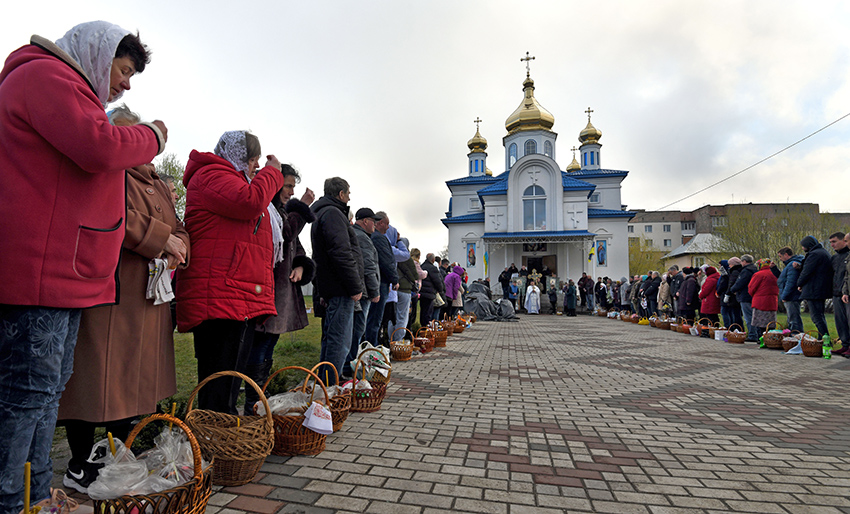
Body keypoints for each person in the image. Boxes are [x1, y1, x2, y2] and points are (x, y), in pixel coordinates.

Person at [0, 22, 167, 512]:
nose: (127, 83)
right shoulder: (46, 78)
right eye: (124, 69)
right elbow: (101, 146)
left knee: (46, 395)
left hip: (64, 277)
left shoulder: (68, 88)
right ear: (98, 54)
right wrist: (153, 134)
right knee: (26, 397)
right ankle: (11, 501)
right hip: (40, 275)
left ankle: (32, 496)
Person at [56, 105, 185, 493]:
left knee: (131, 380)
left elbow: (179, 226)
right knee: (95, 379)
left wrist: (181, 246)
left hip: (147, 297)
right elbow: (118, 218)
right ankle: (78, 463)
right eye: (125, 135)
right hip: (110, 293)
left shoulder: (159, 182)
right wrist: (165, 240)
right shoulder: (105, 170)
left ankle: (117, 455)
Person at [176, 131, 283, 414]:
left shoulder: (226, 178)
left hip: (233, 291)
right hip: (221, 294)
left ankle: (219, 437)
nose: (255, 167)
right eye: (253, 160)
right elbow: (250, 202)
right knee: (220, 379)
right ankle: (214, 439)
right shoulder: (213, 175)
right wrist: (272, 173)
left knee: (229, 377)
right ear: (238, 156)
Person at [244, 165, 316, 413]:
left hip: (281, 288)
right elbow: (285, 234)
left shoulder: (283, 211)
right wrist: (302, 207)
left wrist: (300, 266)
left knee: (269, 343)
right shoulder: (268, 210)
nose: (291, 192)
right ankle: (253, 399)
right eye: (287, 186)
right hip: (266, 287)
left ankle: (259, 395)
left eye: (293, 187)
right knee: (260, 342)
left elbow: (295, 246)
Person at [311, 178, 364, 380]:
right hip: (340, 287)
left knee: (333, 337)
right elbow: (341, 253)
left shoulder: (325, 212)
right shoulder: (333, 214)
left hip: (332, 286)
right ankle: (330, 385)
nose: (349, 197)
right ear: (341, 194)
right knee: (339, 339)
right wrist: (354, 286)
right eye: (348, 193)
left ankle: (327, 381)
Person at [348, 208, 381, 376]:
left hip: (361, 291)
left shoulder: (359, 236)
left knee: (354, 329)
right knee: (357, 330)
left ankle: (349, 364)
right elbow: (369, 267)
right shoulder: (362, 238)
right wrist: (375, 290)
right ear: (365, 221)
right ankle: (350, 367)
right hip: (365, 292)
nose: (375, 224)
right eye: (373, 221)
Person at [796, 235, 833, 339]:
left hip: (814, 290)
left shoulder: (814, 255)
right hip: (820, 289)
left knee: (816, 317)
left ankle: (824, 339)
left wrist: (799, 283)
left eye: (803, 246)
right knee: (820, 316)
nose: (803, 249)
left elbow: (807, 271)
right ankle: (823, 338)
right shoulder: (823, 252)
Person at [828, 232, 850, 354]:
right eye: (830, 242)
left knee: (848, 320)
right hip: (836, 293)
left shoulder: (848, 255)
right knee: (840, 321)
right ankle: (845, 344)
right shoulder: (834, 258)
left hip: (846, 293)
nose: (832, 245)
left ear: (843, 241)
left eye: (834, 241)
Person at [729, 254, 759, 341]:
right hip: (751, 296)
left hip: (745, 296)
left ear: (744, 261)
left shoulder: (746, 271)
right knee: (753, 316)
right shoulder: (754, 269)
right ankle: (755, 334)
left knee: (748, 317)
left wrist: (732, 289)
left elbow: (740, 282)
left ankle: (752, 335)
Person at [748, 259, 779, 339]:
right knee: (771, 322)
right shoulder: (775, 273)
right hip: (772, 300)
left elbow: (751, 288)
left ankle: (761, 338)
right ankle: (771, 339)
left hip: (760, 301)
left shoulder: (758, 274)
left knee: (760, 322)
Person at [776, 247, 804, 333]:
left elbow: (791, 282)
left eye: (780, 256)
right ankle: (794, 334)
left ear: (786, 255)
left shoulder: (792, 265)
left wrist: (784, 296)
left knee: (793, 318)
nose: (780, 259)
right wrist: (774, 269)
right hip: (791, 295)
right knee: (792, 317)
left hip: (791, 296)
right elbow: (783, 278)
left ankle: (795, 335)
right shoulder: (790, 264)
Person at [419, 253, 445, 325]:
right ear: (433, 260)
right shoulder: (432, 268)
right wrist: (440, 290)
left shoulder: (421, 266)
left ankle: (422, 327)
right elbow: (437, 281)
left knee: (423, 311)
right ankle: (426, 328)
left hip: (422, 292)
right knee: (428, 312)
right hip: (429, 293)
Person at [406, 248, 428, 332]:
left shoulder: (408, 261)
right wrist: (426, 272)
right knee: (412, 312)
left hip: (410, 288)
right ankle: (409, 330)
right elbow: (421, 274)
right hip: (414, 289)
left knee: (409, 311)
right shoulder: (415, 263)